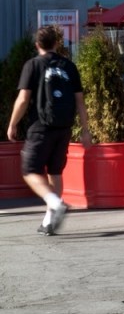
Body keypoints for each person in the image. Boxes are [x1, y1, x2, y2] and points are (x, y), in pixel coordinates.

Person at [6, 25, 91, 236]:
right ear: (56, 43)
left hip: (40, 127)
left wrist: (13, 123)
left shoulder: (33, 65)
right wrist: (85, 130)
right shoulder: (69, 66)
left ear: (37, 45)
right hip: (63, 127)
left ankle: (55, 202)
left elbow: (23, 99)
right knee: (55, 171)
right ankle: (49, 221)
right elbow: (80, 101)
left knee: (30, 171)